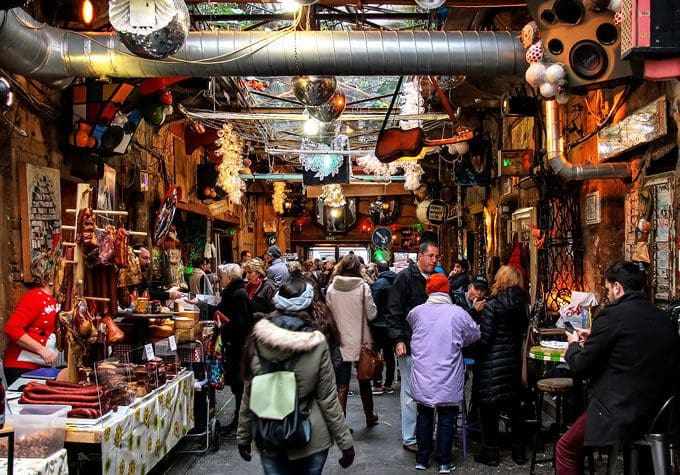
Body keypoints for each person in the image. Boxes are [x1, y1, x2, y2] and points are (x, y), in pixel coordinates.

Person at [555, 261, 679, 474]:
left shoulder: (611, 315)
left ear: (617, 287)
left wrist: (573, 345)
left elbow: (581, 366)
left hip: (620, 411)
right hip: (662, 413)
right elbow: (634, 344)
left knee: (565, 448)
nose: (608, 294)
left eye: (608, 289)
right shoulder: (662, 316)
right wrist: (595, 336)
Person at [236, 276, 355, 474]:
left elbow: (250, 392)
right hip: (311, 435)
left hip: (269, 432)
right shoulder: (317, 342)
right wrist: (345, 442)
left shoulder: (257, 339)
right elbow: (327, 398)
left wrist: (243, 436)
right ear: (308, 304)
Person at [407, 274, 480, 473]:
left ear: (428, 290)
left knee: (424, 415)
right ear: (447, 290)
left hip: (423, 373)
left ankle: (422, 459)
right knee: (447, 416)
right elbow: (473, 334)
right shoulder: (458, 313)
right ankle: (444, 461)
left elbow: (411, 323)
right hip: (448, 373)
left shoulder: (416, 312)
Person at [386, 241, 440, 453]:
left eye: (436, 256)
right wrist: (398, 339)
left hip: (432, 346)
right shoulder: (404, 279)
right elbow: (394, 311)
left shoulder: (438, 278)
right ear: (420, 256)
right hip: (410, 343)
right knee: (409, 393)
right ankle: (410, 437)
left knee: (430, 392)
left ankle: (427, 434)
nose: (434, 260)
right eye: (431, 256)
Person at [474, 265, 528, 466]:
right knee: (514, 407)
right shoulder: (521, 305)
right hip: (512, 362)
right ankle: (519, 451)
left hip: (493, 363)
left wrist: (475, 351)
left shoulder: (493, 305)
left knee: (489, 406)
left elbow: (485, 338)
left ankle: (491, 453)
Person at [325, 254, 379, 428]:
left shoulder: (331, 288)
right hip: (361, 341)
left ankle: (340, 424)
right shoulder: (363, 288)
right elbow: (372, 314)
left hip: (339, 341)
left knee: (342, 383)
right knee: (364, 379)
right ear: (357, 269)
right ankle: (369, 415)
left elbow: (328, 314)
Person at [4, 254, 59, 385]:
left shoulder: (55, 299)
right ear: (49, 276)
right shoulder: (33, 297)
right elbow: (12, 328)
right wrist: (42, 350)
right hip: (23, 366)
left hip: (42, 366)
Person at [216, 263, 253, 437]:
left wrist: (223, 328)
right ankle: (239, 422)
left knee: (240, 387)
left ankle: (241, 424)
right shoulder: (234, 293)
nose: (220, 279)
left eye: (222, 276)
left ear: (229, 278)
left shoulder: (238, 294)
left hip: (238, 348)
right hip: (236, 346)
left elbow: (241, 324)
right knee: (238, 388)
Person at [370, 261, 397, 395]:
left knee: (376, 354)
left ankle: (377, 383)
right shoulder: (396, 281)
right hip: (392, 323)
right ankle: (388, 384)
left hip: (378, 323)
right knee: (389, 354)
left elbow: (372, 303)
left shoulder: (379, 284)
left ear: (377, 270)